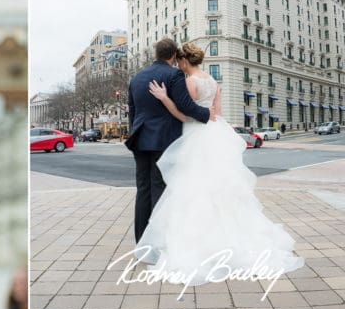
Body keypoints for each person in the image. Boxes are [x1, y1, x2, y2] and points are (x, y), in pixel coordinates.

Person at [136, 42, 303, 284]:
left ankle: (197, 238)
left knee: (192, 187)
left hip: (196, 133)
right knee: (218, 186)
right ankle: (228, 235)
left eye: (180, 62)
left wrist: (164, 98)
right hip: (215, 133)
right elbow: (217, 112)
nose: (179, 65)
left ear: (183, 61)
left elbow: (186, 113)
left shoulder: (189, 82)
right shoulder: (214, 83)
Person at [125, 37, 213, 243]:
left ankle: (141, 241)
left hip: (139, 138)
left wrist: (134, 132)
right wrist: (207, 115)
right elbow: (185, 106)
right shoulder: (174, 74)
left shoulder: (136, 77)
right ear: (174, 56)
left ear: (156, 54)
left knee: (143, 189)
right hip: (163, 139)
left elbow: (132, 111)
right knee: (159, 188)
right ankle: (158, 242)